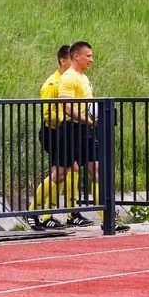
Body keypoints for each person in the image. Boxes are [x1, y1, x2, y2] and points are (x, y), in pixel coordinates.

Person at [56, 41, 100, 228]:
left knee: (97, 170)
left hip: (85, 130)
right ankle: (37, 212)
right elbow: (67, 108)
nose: (91, 59)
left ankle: (109, 217)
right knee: (60, 173)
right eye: (88, 56)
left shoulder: (83, 77)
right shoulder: (68, 78)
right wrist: (88, 120)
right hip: (71, 129)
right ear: (76, 56)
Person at [31, 45, 74, 230]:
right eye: (71, 60)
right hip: (53, 131)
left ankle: (57, 213)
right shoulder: (52, 84)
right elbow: (48, 114)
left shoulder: (70, 80)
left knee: (72, 169)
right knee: (60, 172)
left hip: (67, 131)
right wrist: (70, 117)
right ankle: (35, 211)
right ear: (63, 60)